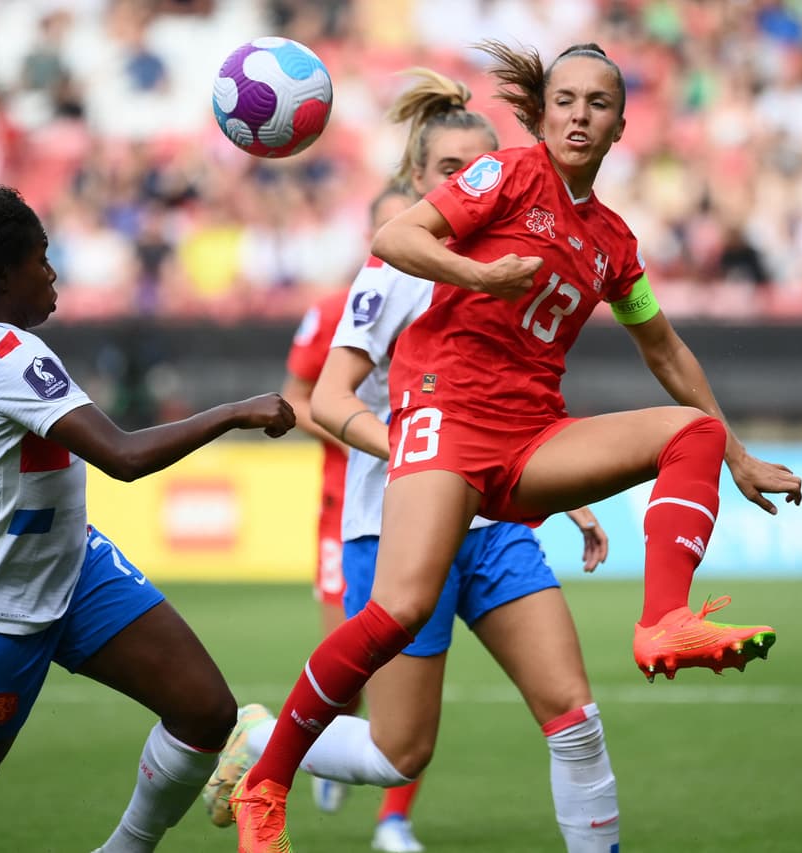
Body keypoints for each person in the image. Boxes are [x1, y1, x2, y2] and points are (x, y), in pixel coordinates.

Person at [230, 41, 802, 853]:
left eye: (597, 104)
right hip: (447, 420)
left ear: (619, 127)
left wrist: (737, 456)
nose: (579, 114)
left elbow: (666, 350)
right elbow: (396, 238)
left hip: (530, 436)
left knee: (696, 433)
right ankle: (266, 779)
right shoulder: (506, 177)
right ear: (541, 114)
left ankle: (665, 620)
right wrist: (485, 279)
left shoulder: (614, 243)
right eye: (565, 99)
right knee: (399, 614)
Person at [207, 69, 618, 853]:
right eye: (449, 171)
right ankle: (263, 741)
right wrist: (428, 458)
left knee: (574, 714)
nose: (470, 182)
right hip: (399, 524)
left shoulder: (515, 266)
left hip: (493, 525)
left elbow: (518, 401)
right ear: (416, 182)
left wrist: (565, 490)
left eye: (481, 168)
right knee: (402, 750)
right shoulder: (397, 264)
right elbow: (328, 399)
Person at [0, 186, 296, 853]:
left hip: (73, 568)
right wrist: (236, 411)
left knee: (206, 711)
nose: (52, 273)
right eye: (40, 259)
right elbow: (124, 458)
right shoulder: (14, 357)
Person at [275, 181, 419, 823]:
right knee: (353, 666)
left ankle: (395, 821)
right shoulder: (337, 308)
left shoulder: (447, 298)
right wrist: (366, 431)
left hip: (425, 502)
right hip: (350, 506)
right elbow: (297, 398)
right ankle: (317, 747)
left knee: (413, 663)